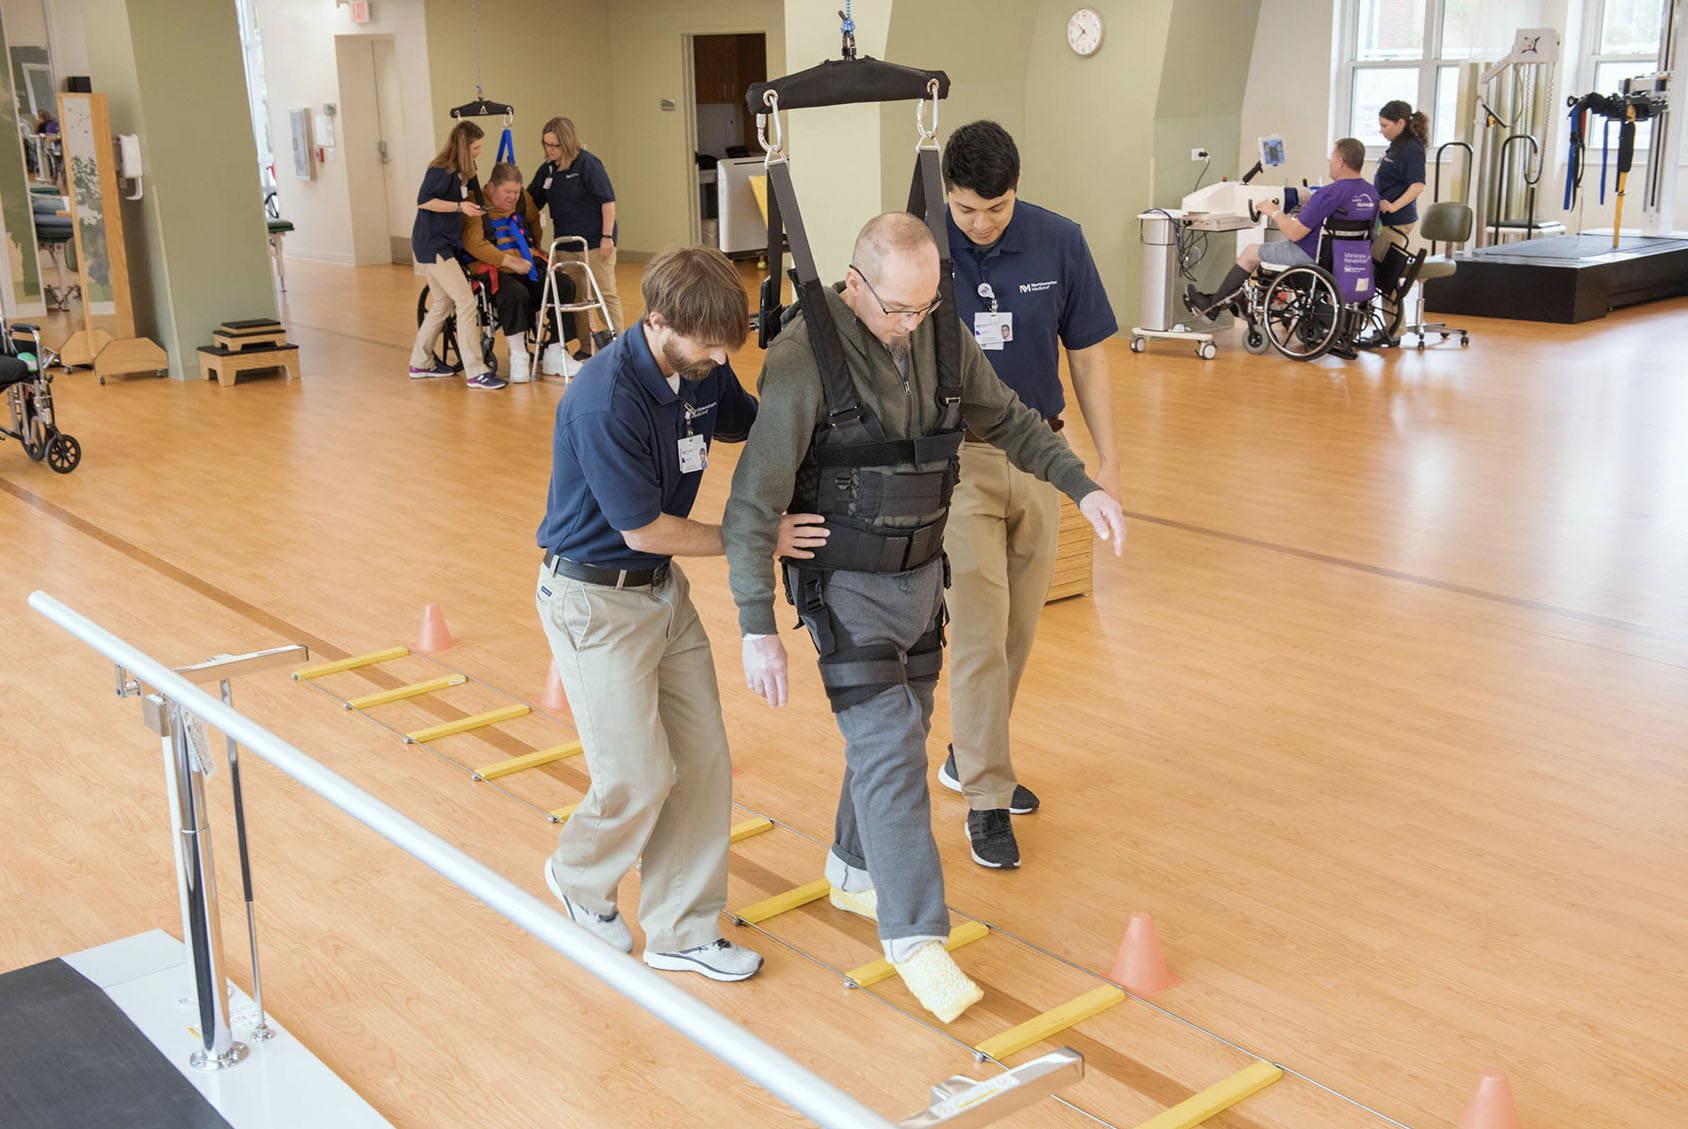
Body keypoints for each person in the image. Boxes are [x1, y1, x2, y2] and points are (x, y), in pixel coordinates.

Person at [723, 213, 1127, 1024]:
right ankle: (913, 935)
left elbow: (1009, 418)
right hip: (844, 586)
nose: (911, 326)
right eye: (897, 311)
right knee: (890, 748)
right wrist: (754, 621)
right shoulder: (805, 358)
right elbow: (751, 501)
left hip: (918, 578)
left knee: (902, 725)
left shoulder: (938, 334)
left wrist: (1082, 484)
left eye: (925, 307)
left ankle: (849, 866)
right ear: (855, 283)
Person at [534, 244, 822, 982]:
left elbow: (751, 426)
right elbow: (645, 528)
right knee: (636, 773)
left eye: (727, 345)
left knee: (701, 763)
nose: (718, 357)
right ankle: (577, 873)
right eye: (706, 345)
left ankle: (680, 929)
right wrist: (756, 535)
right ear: (656, 320)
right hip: (593, 600)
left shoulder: (704, 361)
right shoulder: (605, 398)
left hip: (661, 593)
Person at [937, 120, 1121, 870]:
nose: (981, 224)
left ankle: (967, 751)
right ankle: (986, 795)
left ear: (1018, 190)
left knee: (1018, 629)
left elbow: (1087, 354)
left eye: (997, 207)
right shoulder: (916, 243)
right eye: (966, 209)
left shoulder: (1059, 240)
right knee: (979, 630)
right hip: (957, 462)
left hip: (1040, 454)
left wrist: (1108, 459)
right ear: (945, 194)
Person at [1185, 137, 1378, 320]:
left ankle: (1212, 307)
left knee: (1250, 253)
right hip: (1346, 260)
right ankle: (1235, 300)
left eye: (1332, 157)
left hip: (1311, 256)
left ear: (1340, 162)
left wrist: (1274, 212)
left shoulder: (1329, 193)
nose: (1330, 163)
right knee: (1262, 251)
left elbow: (1295, 234)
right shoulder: (1371, 193)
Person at [460, 161, 581, 383]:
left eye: (516, 191)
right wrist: (509, 261)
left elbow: (533, 218)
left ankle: (556, 350)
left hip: (525, 262)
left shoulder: (522, 197)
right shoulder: (475, 203)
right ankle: (518, 355)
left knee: (562, 284)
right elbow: (473, 243)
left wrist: (532, 248)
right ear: (492, 188)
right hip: (494, 267)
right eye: (507, 192)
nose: (513, 197)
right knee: (515, 293)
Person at [408, 120, 501, 388]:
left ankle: (420, 362)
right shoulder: (440, 170)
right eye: (476, 146)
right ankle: (475, 370)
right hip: (432, 244)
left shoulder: (464, 172)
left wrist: (474, 208)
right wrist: (460, 207)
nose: (479, 151)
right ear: (463, 146)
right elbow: (424, 201)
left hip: (444, 244)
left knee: (442, 304)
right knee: (466, 301)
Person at [529, 117, 623, 357]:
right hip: (565, 244)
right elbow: (531, 203)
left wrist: (606, 237)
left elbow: (607, 201)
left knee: (603, 293)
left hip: (594, 242)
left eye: (554, 145)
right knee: (578, 298)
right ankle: (586, 347)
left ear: (567, 143)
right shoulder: (547, 171)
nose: (549, 150)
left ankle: (620, 345)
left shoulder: (587, 164)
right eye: (546, 144)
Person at [1374, 100, 1430, 321]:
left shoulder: (1412, 149)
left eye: (1385, 125)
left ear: (1400, 123)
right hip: (1386, 219)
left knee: (1383, 272)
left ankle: (1393, 329)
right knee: (1385, 272)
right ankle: (1392, 328)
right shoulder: (1397, 145)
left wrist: (1393, 205)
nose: (1381, 130)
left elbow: (1418, 186)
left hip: (1397, 219)